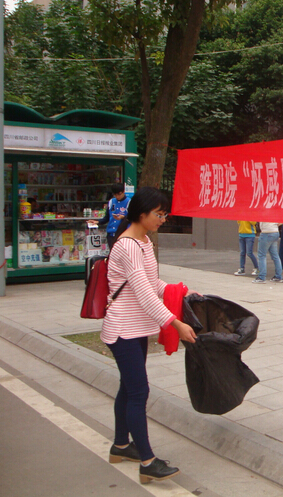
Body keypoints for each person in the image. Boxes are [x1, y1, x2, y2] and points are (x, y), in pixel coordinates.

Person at [100, 187, 197, 484]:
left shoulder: (143, 241)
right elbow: (143, 294)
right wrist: (175, 324)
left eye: (164, 214)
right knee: (138, 392)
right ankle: (147, 461)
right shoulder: (129, 246)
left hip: (136, 328)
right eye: (159, 214)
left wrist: (181, 292)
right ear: (141, 214)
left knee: (128, 388)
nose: (163, 219)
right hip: (123, 329)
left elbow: (152, 283)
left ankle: (121, 446)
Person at [99, 183, 131, 249]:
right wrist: (97, 222)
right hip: (111, 234)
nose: (117, 196)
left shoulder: (129, 202)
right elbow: (107, 218)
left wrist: (123, 217)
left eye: (119, 194)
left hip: (123, 234)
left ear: (123, 191)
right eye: (115, 195)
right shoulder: (111, 201)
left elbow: (133, 218)